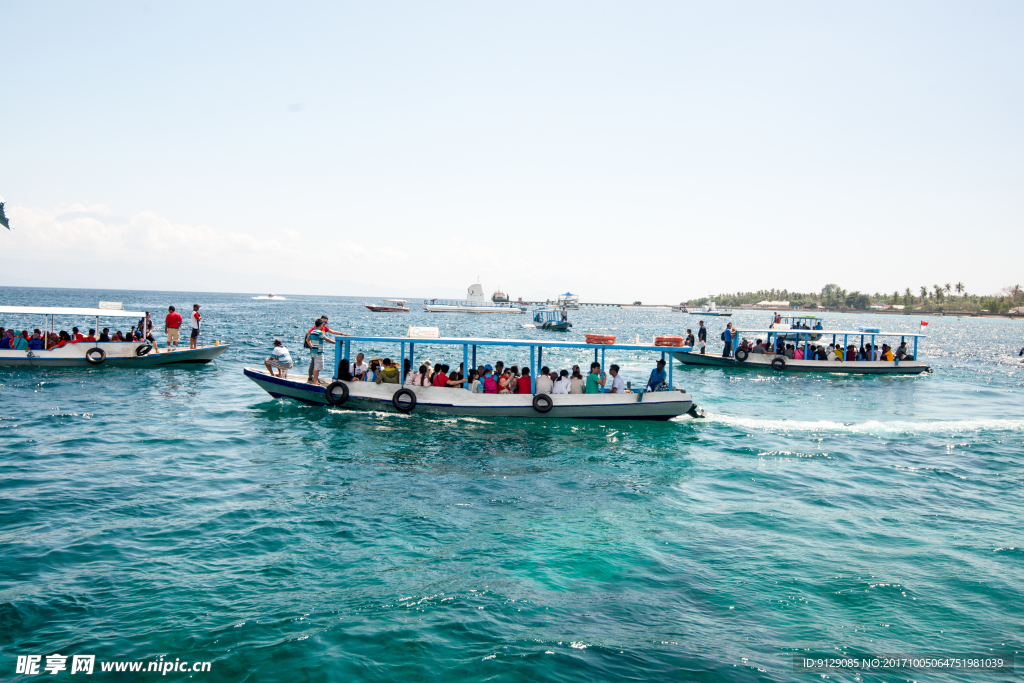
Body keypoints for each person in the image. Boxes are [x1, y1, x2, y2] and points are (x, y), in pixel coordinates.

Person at [307, 319, 336, 385]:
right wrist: (335, 343)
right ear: (320, 325)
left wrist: (311, 346)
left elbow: (308, 339)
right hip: (319, 352)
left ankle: (315, 380)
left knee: (316, 366)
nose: (324, 325)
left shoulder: (313, 332)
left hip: (314, 351)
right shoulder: (319, 332)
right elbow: (326, 339)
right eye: (323, 324)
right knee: (317, 367)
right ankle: (315, 381)